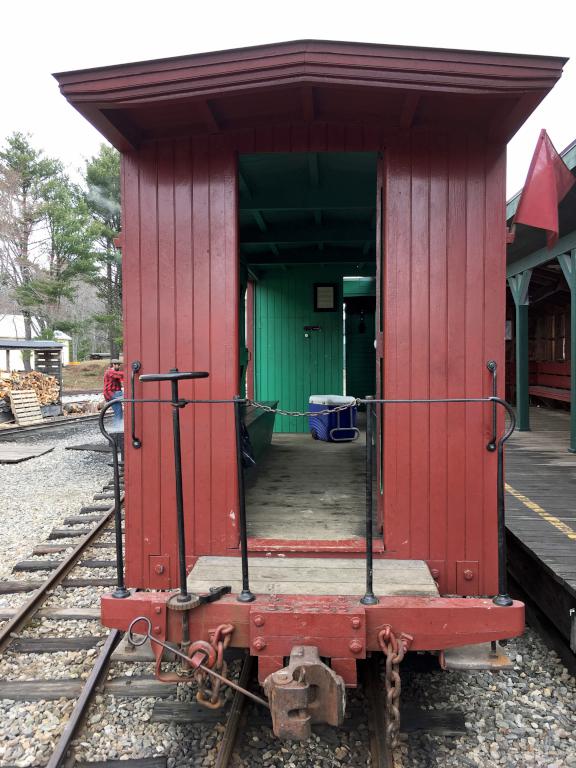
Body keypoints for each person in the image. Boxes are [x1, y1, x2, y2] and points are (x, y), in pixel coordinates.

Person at [103, 359, 124, 426]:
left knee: (118, 412)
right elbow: (120, 375)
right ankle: (118, 428)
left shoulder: (114, 372)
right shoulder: (110, 372)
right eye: (118, 365)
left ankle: (117, 427)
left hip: (113, 394)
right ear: (113, 365)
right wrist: (129, 373)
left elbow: (121, 378)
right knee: (130, 395)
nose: (119, 366)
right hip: (111, 394)